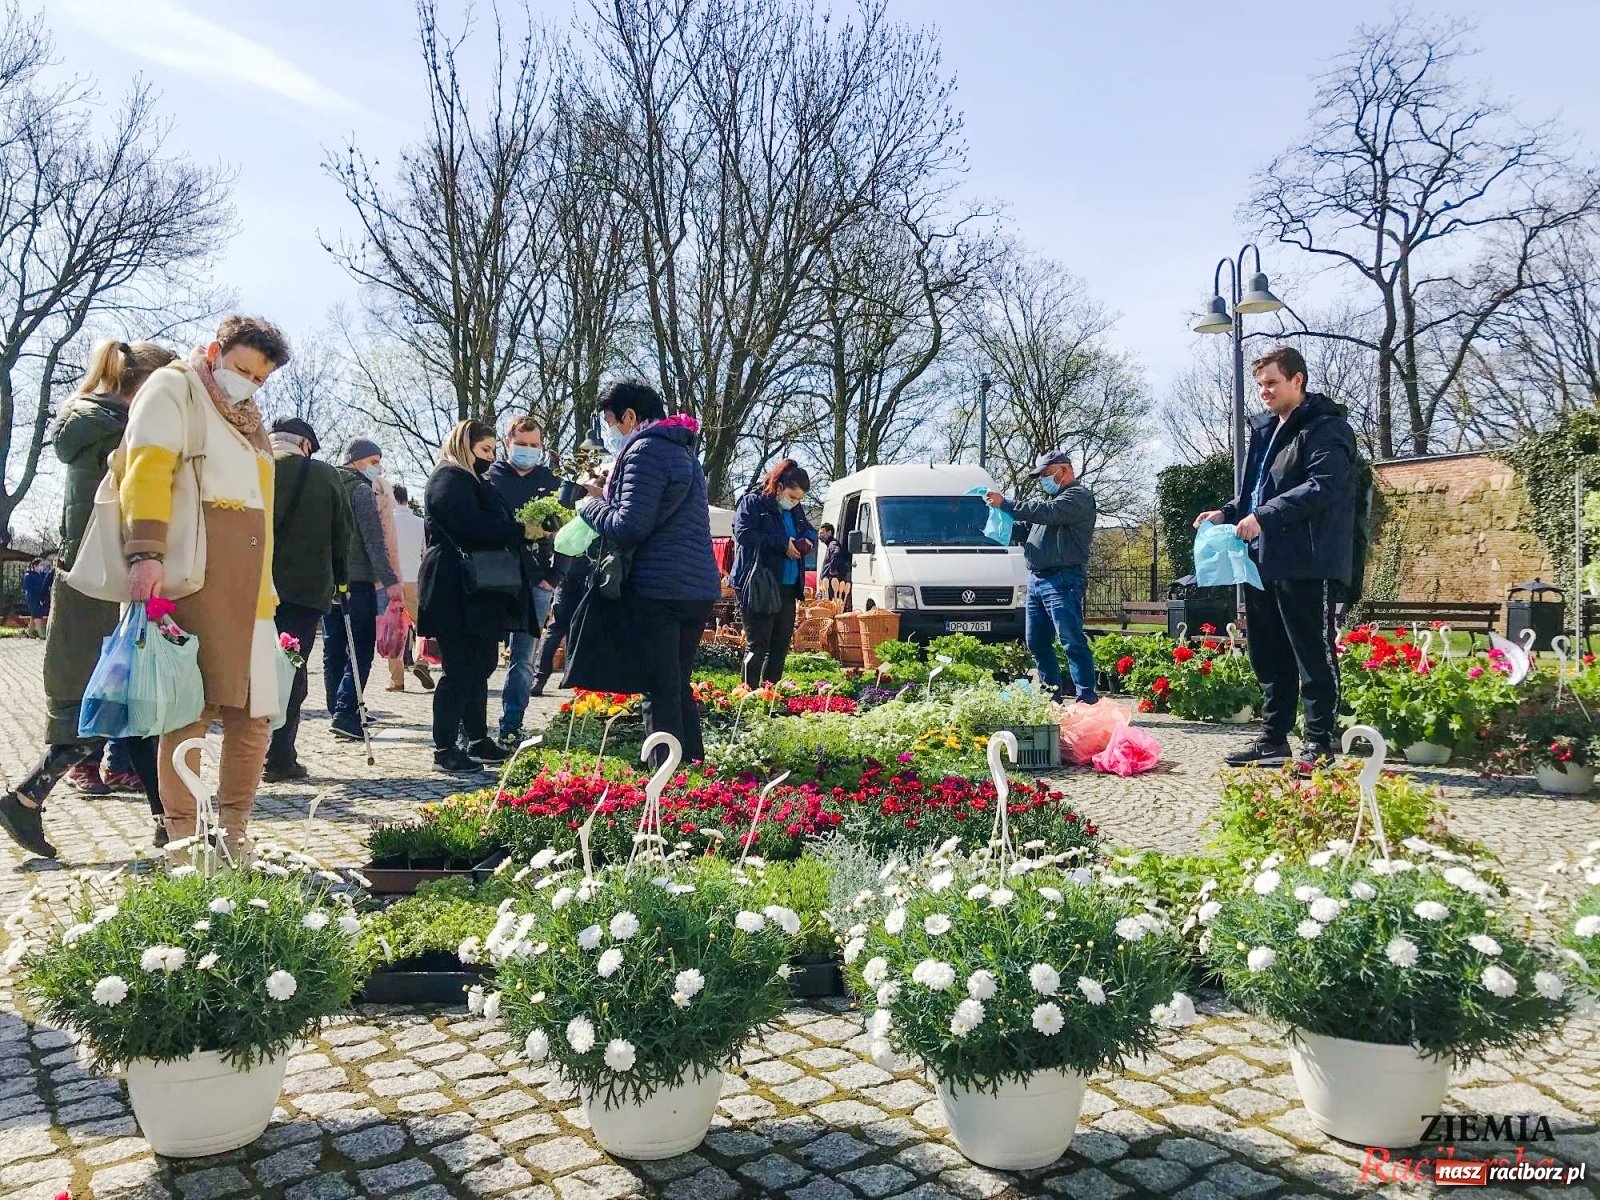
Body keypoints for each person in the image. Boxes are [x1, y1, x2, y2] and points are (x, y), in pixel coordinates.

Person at [0, 340, 175, 860]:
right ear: (149, 386)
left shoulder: (90, 424)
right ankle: (167, 825)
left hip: (89, 578)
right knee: (123, 704)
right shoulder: (128, 431)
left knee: (122, 706)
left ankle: (33, 800)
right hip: (113, 580)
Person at [122, 316, 290, 853]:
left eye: (261, 378)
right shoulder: (174, 386)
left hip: (254, 589)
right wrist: (145, 553)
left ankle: (235, 830)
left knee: (255, 715)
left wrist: (269, 591)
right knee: (191, 711)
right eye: (242, 369)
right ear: (216, 350)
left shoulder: (250, 418)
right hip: (197, 574)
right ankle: (183, 836)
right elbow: (145, 469)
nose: (249, 383)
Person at [1195, 345, 1357, 768]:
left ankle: (1320, 745)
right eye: (1260, 385)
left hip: (1307, 560)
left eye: (1272, 383)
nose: (1264, 392)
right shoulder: (1266, 430)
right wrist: (1227, 512)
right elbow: (1255, 492)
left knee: (1312, 654)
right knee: (1268, 653)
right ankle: (1274, 740)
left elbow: (1324, 487)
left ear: (1297, 380)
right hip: (1261, 561)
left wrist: (1263, 516)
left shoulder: (1326, 428)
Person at [566, 381, 721, 767]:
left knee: (657, 686)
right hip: (695, 586)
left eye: (612, 423)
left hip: (659, 587)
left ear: (630, 416)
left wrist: (589, 505)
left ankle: (664, 781)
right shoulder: (683, 452)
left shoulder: (645, 450)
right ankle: (692, 771)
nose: (612, 433)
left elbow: (628, 525)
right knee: (675, 684)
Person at [417, 420, 528, 773]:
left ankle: (477, 739)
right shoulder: (449, 479)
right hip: (456, 588)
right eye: (485, 450)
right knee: (460, 668)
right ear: (465, 447)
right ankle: (445, 746)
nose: (490, 458)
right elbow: (471, 526)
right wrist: (518, 529)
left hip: (478, 589)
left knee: (479, 666)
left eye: (494, 451)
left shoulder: (476, 480)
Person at [263, 417, 351, 783]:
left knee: (245, 671)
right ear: (305, 444)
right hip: (303, 592)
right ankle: (280, 755)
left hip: (250, 586)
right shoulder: (324, 475)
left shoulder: (253, 466)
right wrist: (342, 583)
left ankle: (239, 756)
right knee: (290, 668)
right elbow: (340, 534)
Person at [985, 449, 1099, 706]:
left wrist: (1007, 504)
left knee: (1071, 640)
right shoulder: (1050, 504)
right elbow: (1026, 530)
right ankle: (1050, 698)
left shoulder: (1076, 497)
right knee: (1036, 642)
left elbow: (1046, 512)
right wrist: (998, 523)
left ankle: (1087, 700)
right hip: (1038, 580)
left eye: (1047, 474)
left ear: (1065, 470)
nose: (1043, 481)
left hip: (1063, 579)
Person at [486, 417, 562, 743]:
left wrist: (555, 576)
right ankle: (470, 728)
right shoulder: (490, 478)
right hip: (494, 577)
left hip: (536, 580)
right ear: (508, 441)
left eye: (534, 445)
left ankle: (511, 725)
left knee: (523, 660)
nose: (528, 451)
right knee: (482, 654)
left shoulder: (551, 483)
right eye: (523, 444)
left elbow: (567, 532)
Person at [324, 437, 402, 741]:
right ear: (357, 460)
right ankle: (346, 711)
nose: (378, 466)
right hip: (358, 580)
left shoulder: (328, 487)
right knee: (360, 647)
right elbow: (374, 542)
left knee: (333, 648)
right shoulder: (361, 491)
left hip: (328, 580)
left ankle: (340, 708)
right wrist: (390, 579)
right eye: (374, 460)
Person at [529, 443, 606, 697]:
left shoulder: (571, 497)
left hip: (573, 567)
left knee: (562, 626)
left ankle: (551, 679)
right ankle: (559, 680)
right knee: (569, 625)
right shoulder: (590, 499)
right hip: (580, 567)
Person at [732, 459, 815, 686]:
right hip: (759, 584)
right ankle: (746, 695)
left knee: (779, 646)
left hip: (788, 586)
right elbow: (744, 534)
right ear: (779, 487)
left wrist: (807, 541)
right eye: (792, 496)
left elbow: (809, 530)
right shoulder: (753, 503)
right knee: (758, 645)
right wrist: (782, 544)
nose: (795, 502)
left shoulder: (795, 510)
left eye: (799, 499)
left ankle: (770, 694)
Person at [384, 482, 431, 692]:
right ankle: (423, 660)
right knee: (425, 625)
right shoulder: (420, 523)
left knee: (393, 631)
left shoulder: (385, 520)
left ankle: (397, 680)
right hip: (416, 578)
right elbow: (426, 552)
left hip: (392, 580)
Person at [817, 522, 848, 603]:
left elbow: (836, 553)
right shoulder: (830, 545)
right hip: (827, 585)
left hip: (830, 585)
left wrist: (832, 569)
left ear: (829, 533)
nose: (820, 536)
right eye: (819, 534)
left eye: (822, 533)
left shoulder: (833, 544)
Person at [21, 557, 52, 637]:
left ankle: (30, 632)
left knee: (35, 614)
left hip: (41, 597)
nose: (42, 567)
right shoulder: (28, 575)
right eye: (40, 565)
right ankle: (42, 634)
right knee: (37, 615)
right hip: (32, 598)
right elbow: (29, 587)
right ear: (35, 565)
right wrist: (39, 592)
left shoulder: (43, 574)